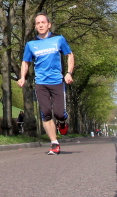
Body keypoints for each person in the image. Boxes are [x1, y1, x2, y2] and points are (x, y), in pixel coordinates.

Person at [16, 12, 74, 155]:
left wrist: (69, 73)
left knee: (59, 113)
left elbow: (69, 55)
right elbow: (25, 62)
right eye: (38, 23)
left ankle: (62, 121)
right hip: (41, 83)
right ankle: (54, 143)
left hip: (57, 82)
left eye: (43, 22)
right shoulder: (31, 44)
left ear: (49, 25)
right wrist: (22, 77)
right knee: (46, 113)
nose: (40, 25)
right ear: (35, 26)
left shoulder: (58, 39)